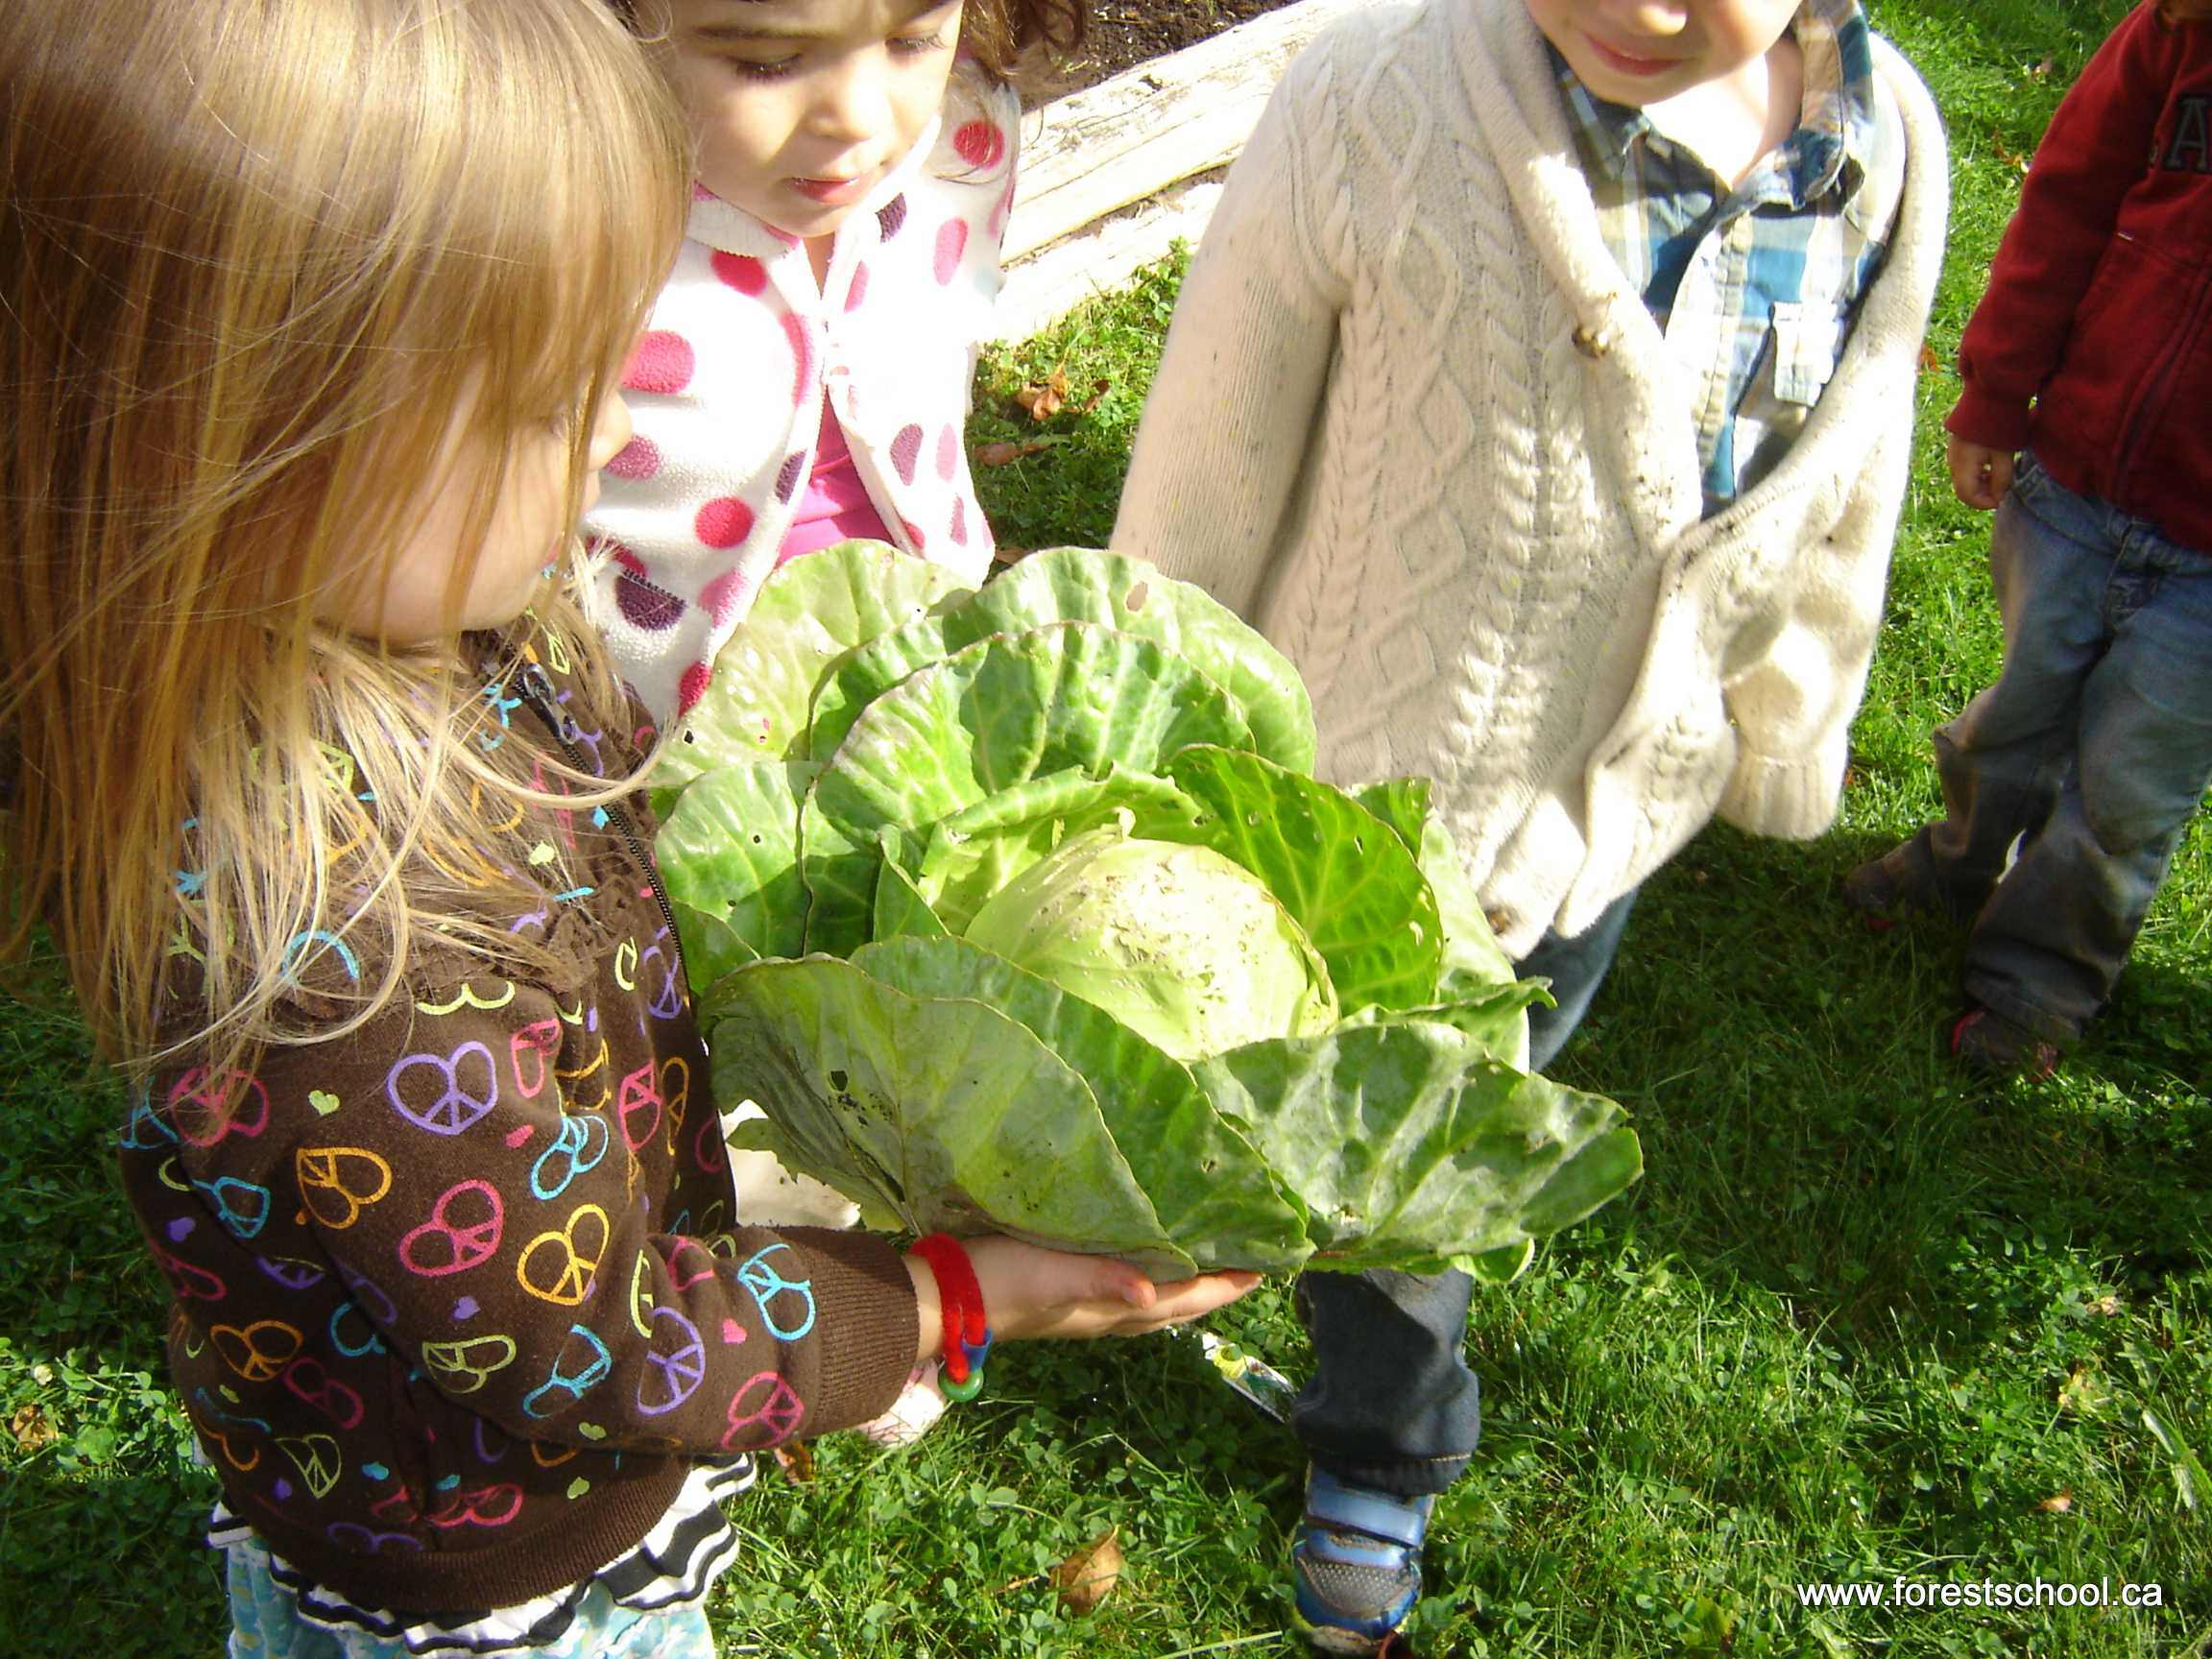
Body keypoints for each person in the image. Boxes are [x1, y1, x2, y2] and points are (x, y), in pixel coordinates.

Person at [0, 4, 1254, 1655]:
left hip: (412, 1430)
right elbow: (590, 1337)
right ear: (231, 448)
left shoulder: (420, 625)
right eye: (540, 402)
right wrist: (956, 1289)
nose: (609, 440)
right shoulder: (339, 952)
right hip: (501, 1541)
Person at [1111, 0, 1947, 1647]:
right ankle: (1354, 1397)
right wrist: (1139, 720)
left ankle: (1370, 1420)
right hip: (1336, 797)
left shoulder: (1879, 135)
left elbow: (1849, 448)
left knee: (1432, 1152)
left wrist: (1785, 718)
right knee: (1346, 1147)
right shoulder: (1368, 96)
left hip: (1601, 822)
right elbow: (1212, 444)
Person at [1842, 0, 2212, 1079]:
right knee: (2017, 714)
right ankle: (1956, 861)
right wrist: (1999, 395)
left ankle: (2035, 979)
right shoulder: (2172, 39)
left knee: (2128, 794)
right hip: (2078, 486)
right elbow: (2065, 204)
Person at [589, 0, 1086, 723]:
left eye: (914, 40)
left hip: (925, 661)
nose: (859, 118)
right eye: (765, 59)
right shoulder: (570, 214)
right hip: (649, 722)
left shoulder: (963, 134)